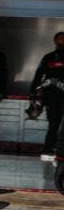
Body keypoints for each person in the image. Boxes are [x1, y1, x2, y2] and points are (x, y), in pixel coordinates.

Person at [30, 31, 64, 161]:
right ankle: (48, 149)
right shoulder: (48, 57)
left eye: (63, 39)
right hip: (51, 97)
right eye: (59, 40)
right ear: (55, 41)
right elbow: (38, 75)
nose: (61, 42)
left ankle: (60, 151)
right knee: (53, 123)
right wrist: (33, 93)